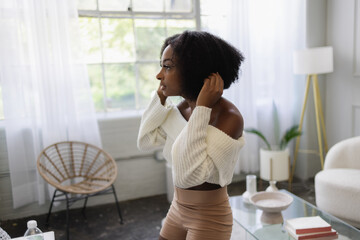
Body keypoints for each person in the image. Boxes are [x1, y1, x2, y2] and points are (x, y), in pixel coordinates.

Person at [137, 30, 245, 240]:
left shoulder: (229, 118)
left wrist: (202, 109)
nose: (159, 75)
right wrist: (158, 98)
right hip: (178, 208)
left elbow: (189, 175)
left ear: (194, 69)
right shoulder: (182, 109)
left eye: (167, 67)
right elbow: (146, 140)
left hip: (209, 217)